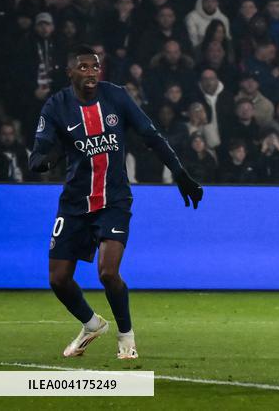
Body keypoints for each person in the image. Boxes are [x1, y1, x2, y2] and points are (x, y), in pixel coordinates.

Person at [28, 44, 203, 360]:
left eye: (95, 66)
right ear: (69, 73)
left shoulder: (116, 96)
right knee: (58, 279)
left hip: (114, 200)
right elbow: (38, 152)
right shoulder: (56, 106)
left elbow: (151, 136)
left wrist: (180, 173)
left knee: (108, 272)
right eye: (83, 67)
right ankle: (92, 324)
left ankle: (126, 336)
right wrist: (43, 161)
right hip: (74, 204)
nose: (91, 72)